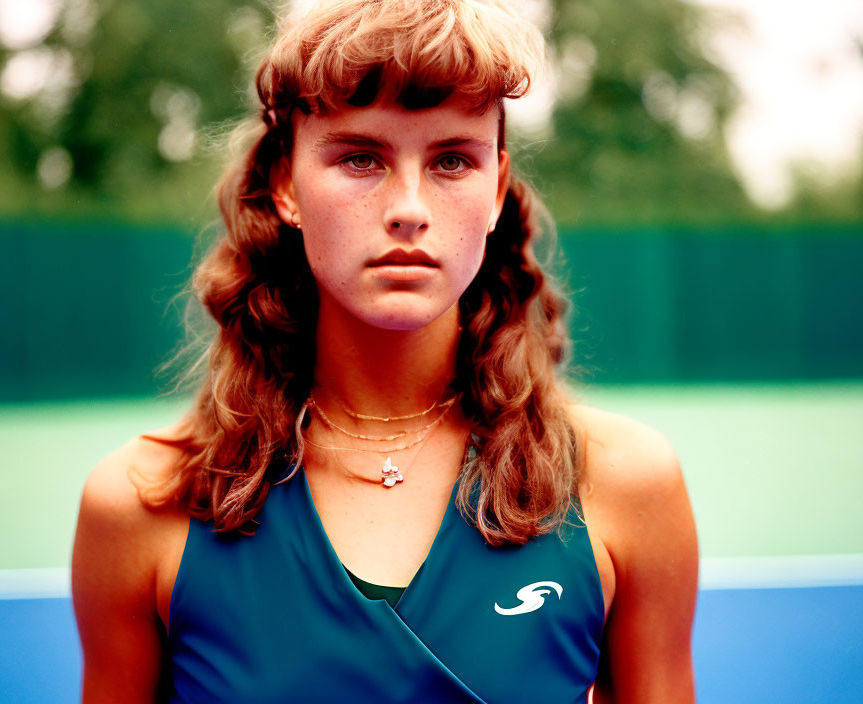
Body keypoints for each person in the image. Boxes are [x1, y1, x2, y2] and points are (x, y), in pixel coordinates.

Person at [71, 0, 698, 701]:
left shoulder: (625, 484)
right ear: (285, 184)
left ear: (496, 188)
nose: (408, 206)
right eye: (361, 157)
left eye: (453, 160)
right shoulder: (137, 504)